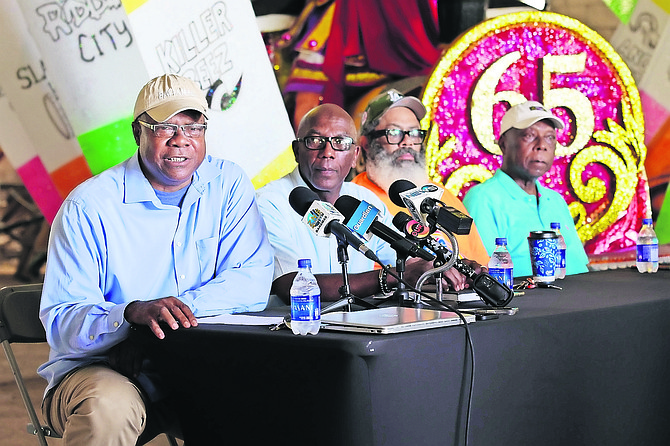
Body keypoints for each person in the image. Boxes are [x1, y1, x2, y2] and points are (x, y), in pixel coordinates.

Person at [38, 74, 274, 445]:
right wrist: (129, 316)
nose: (181, 140)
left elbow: (252, 282)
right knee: (109, 409)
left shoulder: (227, 183)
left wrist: (153, 331)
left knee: (284, 396)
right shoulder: (88, 207)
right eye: (165, 127)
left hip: (200, 361)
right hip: (104, 369)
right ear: (138, 132)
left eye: (194, 127)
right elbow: (63, 322)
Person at [257, 103, 480, 302]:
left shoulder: (363, 200)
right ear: (297, 151)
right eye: (315, 141)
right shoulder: (269, 202)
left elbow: (406, 259)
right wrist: (389, 277)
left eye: (340, 143)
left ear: (355, 155)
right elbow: (288, 285)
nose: (328, 153)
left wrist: (446, 268)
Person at [353, 88, 490, 266]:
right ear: (366, 143)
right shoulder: (358, 199)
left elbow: (479, 261)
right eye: (394, 133)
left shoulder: (441, 194)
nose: (408, 142)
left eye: (415, 133)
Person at [463, 100, 589, 277]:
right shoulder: (483, 198)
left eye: (550, 137)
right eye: (529, 135)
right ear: (504, 144)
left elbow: (580, 264)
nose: (542, 145)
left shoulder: (555, 200)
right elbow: (483, 274)